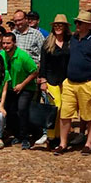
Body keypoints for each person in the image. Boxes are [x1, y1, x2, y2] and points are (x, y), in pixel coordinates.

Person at [55, 10, 91, 156]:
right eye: (76, 22)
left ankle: (89, 143)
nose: (77, 25)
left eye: (80, 23)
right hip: (70, 83)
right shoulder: (73, 38)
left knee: (90, 115)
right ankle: (63, 143)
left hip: (88, 83)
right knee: (65, 114)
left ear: (88, 25)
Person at [0, 30, 39, 149]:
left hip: (26, 87)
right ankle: (17, 134)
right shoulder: (2, 55)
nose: (6, 46)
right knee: (11, 112)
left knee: (22, 110)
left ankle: (26, 138)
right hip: (11, 88)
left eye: (8, 43)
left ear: (14, 43)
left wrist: (22, 85)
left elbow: (35, 72)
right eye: (4, 43)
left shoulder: (23, 56)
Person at [38, 14, 71, 148]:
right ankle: (50, 136)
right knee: (54, 107)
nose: (58, 27)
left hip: (66, 80)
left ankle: (59, 136)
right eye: (56, 25)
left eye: (60, 25)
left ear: (65, 27)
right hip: (51, 79)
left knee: (64, 109)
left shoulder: (70, 41)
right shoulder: (48, 42)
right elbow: (43, 63)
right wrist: (43, 80)